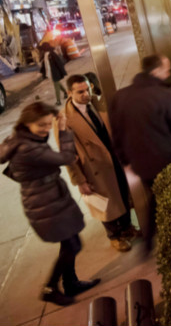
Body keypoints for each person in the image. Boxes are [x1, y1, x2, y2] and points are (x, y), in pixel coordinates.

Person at [0, 102, 99, 306]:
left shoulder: (23, 138)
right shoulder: (27, 148)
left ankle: (71, 283)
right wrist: (63, 131)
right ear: (27, 123)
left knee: (68, 243)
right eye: (41, 125)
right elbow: (67, 157)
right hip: (46, 203)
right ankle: (50, 288)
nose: (46, 129)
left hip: (49, 199)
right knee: (73, 245)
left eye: (48, 124)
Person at [110, 54, 171, 250]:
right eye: (167, 70)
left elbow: (116, 133)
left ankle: (150, 240)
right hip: (168, 160)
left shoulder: (120, 97)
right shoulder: (165, 95)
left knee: (156, 196)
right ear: (156, 71)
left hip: (140, 164)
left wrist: (125, 160)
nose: (168, 73)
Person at [61, 74, 137, 252]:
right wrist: (80, 181)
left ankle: (127, 228)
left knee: (122, 194)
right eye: (80, 92)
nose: (86, 94)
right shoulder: (65, 119)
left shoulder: (97, 102)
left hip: (113, 158)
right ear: (69, 93)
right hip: (94, 167)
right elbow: (67, 154)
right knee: (105, 204)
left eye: (87, 89)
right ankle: (114, 236)